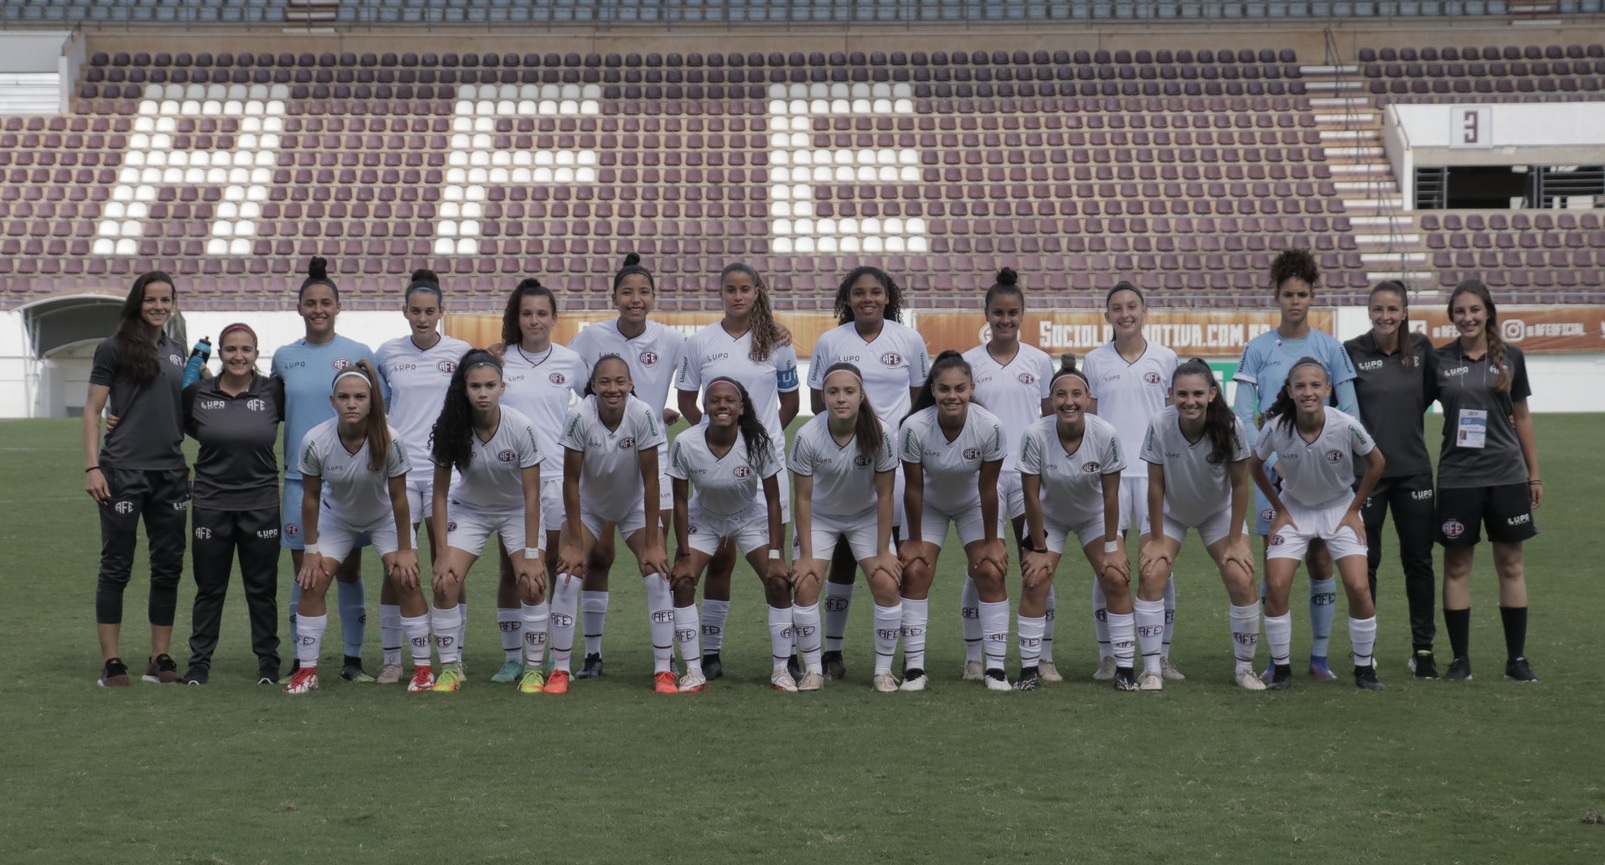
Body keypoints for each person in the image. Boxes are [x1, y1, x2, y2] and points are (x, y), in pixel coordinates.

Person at [1232, 249, 1358, 681]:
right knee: (1276, 564)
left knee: (1322, 561)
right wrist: (1271, 458)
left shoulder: (1331, 348)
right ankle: (1276, 657)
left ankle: (1319, 658)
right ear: (1277, 296)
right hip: (1274, 477)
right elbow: (1243, 410)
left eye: (1303, 294)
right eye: (1288, 293)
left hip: (1322, 477)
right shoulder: (1259, 348)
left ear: (1312, 296)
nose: (1295, 301)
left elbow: (1351, 413)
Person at [675, 262, 799, 681]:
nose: (738, 296)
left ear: (758, 292)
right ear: (721, 293)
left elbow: (791, 403)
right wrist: (714, 445)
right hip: (717, 467)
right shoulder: (701, 342)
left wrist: (754, 444)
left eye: (746, 289)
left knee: (777, 569)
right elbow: (689, 398)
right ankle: (709, 653)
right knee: (721, 559)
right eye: (730, 289)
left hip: (765, 470)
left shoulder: (777, 340)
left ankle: (789, 656)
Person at [806, 265, 930, 680]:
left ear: (888, 297)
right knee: (840, 558)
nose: (867, 299)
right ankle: (833, 653)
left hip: (887, 464)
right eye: (859, 293)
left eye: (876, 292)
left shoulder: (909, 340)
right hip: (841, 463)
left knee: (890, 560)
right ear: (848, 298)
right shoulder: (830, 341)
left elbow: (918, 403)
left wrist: (892, 446)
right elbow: (818, 403)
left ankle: (902, 657)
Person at [565, 253, 685, 680]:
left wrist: (771, 330)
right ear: (614, 297)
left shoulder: (671, 339)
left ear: (654, 297)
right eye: (627, 292)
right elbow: (567, 374)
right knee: (596, 558)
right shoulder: (589, 338)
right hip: (600, 455)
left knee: (656, 558)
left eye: (643, 292)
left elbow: (711, 359)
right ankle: (592, 655)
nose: (636, 299)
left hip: (649, 458)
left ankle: (664, 659)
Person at [272, 257, 385, 682]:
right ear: (299, 308)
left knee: (350, 570)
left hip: (349, 482)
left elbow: (380, 407)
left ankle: (353, 660)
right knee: (305, 572)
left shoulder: (358, 354)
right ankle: (303, 662)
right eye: (310, 303)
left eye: (326, 302)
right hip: (300, 482)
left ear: (339, 307)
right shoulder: (284, 358)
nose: (318, 309)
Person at [284, 362, 424, 694]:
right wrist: (311, 551)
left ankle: (423, 668)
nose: (351, 403)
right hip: (337, 519)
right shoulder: (315, 439)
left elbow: (400, 498)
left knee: (406, 579)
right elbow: (311, 499)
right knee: (312, 583)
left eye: (360, 396)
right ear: (332, 401)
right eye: (344, 397)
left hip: (384, 517)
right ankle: (307, 671)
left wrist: (405, 550)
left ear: (372, 401)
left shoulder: (391, 439)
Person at [1249, 359, 1387, 691]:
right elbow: (1254, 466)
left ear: (1327, 389)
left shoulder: (1346, 424)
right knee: (1277, 586)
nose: (1308, 392)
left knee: (1358, 587)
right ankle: (1281, 669)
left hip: (1339, 509)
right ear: (1290, 391)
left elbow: (1377, 462)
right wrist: (1280, 508)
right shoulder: (1276, 427)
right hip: (1295, 511)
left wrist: (1354, 509)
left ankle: (1364, 668)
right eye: (1300, 386)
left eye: (1315, 386)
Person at [1431, 280, 1542, 682]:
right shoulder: (1439, 360)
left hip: (1507, 476)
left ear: (1488, 312)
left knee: (1511, 564)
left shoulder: (1511, 356)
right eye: (1460, 311)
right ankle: (1460, 660)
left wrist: (1534, 474)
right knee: (1457, 565)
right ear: (1452, 317)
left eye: (1475, 310)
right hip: (1459, 479)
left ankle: (1517, 660)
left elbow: (1523, 416)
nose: (1468, 318)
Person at [83, 271, 189, 686]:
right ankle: (112, 662)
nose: (159, 306)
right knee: (116, 566)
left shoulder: (177, 350)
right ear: (136, 302)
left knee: (168, 567)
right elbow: (93, 410)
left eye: (166, 300)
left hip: (170, 473)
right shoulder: (112, 348)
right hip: (123, 471)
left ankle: (160, 657)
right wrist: (92, 467)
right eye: (151, 300)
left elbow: (176, 409)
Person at [547, 354, 673, 694]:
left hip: (633, 504)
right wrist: (573, 541)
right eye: (605, 382)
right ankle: (559, 670)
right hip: (589, 506)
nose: (612, 388)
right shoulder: (579, 416)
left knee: (657, 574)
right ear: (593, 386)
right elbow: (570, 482)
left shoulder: (643, 414)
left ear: (631, 385)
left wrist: (652, 541)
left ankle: (664, 671)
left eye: (620, 381)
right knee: (566, 575)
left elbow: (651, 482)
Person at [1137, 359, 1265, 691]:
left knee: (1241, 576)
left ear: (1211, 394)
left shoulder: (1231, 426)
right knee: (1152, 572)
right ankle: (1152, 668)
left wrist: (1236, 540)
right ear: (1170, 395)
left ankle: (1244, 668)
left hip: (1216, 514)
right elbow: (1154, 485)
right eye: (1182, 394)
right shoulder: (1159, 423)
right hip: (1169, 513)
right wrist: (1155, 537)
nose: (1189, 401)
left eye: (1197, 394)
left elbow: (1240, 485)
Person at [426, 350, 547, 694]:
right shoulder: (451, 427)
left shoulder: (521, 427)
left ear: (502, 387)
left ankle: (534, 668)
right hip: (470, 510)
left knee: (531, 581)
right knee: (445, 581)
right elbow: (438, 496)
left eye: (490, 385)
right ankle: (450, 668)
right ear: (463, 389)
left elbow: (531, 496)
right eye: (475, 386)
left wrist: (533, 553)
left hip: (516, 510)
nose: (483, 392)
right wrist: (442, 552)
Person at [374, 268, 472, 685]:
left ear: (441, 312)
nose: (422, 317)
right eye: (415, 311)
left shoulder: (461, 351)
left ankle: (454, 656)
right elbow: (378, 407)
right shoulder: (387, 353)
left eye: (429, 311)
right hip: (400, 470)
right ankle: (393, 658)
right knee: (397, 562)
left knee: (447, 563)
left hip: (446, 470)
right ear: (404, 311)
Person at [1081, 280, 1182, 682]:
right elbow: (1087, 420)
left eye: (1132, 307)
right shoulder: (1094, 361)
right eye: (1117, 308)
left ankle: (1163, 656)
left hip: (1155, 473)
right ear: (1107, 316)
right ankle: (1109, 655)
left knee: (1160, 563)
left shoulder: (1166, 358)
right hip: (1111, 476)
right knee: (1109, 565)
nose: (1125, 314)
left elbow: (1176, 416)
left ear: (1145, 312)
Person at [961, 267, 1056, 682]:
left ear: (1022, 315)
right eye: (998, 313)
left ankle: (1043, 655)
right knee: (984, 564)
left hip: (1028, 474)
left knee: (1036, 560)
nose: (1005, 320)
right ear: (986, 314)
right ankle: (974, 656)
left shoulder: (1038, 361)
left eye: (1012, 313)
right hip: (983, 475)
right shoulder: (967, 363)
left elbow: (1051, 419)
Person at [1343, 281, 1441, 678]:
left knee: (1418, 562)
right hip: (1368, 478)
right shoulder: (1351, 351)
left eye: (1392, 309)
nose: (1385, 316)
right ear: (1369, 311)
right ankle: (1364, 652)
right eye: (1378, 309)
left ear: (1404, 312)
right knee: (1366, 563)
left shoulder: (1422, 350)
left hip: (1414, 471)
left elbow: (1434, 395)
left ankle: (1424, 650)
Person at [667, 379, 790, 691]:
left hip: (748, 516)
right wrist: (682, 555)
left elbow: (774, 500)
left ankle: (781, 670)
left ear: (741, 408)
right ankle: (694, 671)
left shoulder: (757, 441)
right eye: (714, 401)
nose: (722, 405)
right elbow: (680, 501)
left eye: (729, 401)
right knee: (682, 582)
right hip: (705, 518)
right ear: (705, 407)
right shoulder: (685, 442)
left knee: (778, 581)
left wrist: (776, 555)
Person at [180, 322, 285, 686]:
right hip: (212, 502)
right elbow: (172, 426)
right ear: (221, 353)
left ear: (256, 354)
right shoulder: (197, 393)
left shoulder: (274, 391)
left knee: (261, 588)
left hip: (261, 503)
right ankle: (199, 663)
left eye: (246, 350)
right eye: (231, 349)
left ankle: (268, 663)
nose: (238, 356)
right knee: (210, 588)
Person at [899, 350, 1010, 692]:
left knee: (990, 571)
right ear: (932, 389)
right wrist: (914, 540)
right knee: (916, 570)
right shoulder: (914, 427)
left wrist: (991, 542)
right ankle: (914, 668)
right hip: (928, 505)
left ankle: (995, 668)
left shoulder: (989, 426)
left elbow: (988, 489)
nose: (952, 396)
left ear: (971, 388)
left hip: (973, 503)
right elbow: (913, 489)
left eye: (960, 388)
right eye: (944, 389)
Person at [789, 363, 903, 692]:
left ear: (861, 395)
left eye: (849, 391)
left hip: (865, 516)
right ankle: (813, 669)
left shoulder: (881, 433)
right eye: (833, 392)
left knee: (886, 583)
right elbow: (804, 500)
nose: (841, 399)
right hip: (821, 517)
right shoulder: (807, 435)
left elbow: (885, 495)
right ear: (822, 397)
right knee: (807, 583)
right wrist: (807, 555)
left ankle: (883, 671)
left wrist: (883, 551)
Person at [1018, 360, 1130, 690]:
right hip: (1049, 516)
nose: (1069, 401)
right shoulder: (1034, 435)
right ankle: (1028, 671)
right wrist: (1038, 548)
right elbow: (1031, 497)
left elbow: (1111, 497)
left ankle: (1124, 669)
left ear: (1088, 398)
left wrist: (1112, 547)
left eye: (1076, 394)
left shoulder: (1105, 434)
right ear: (1050, 400)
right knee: (1035, 579)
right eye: (1061, 394)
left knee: (1116, 576)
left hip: (1094, 516)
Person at [496, 278, 586, 684]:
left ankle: (550, 654)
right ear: (517, 318)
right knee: (510, 569)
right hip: (508, 479)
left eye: (542, 314)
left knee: (554, 565)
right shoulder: (498, 360)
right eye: (527, 313)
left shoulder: (570, 361)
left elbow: (601, 401)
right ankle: (513, 657)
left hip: (554, 476)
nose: (535, 320)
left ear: (554, 319)